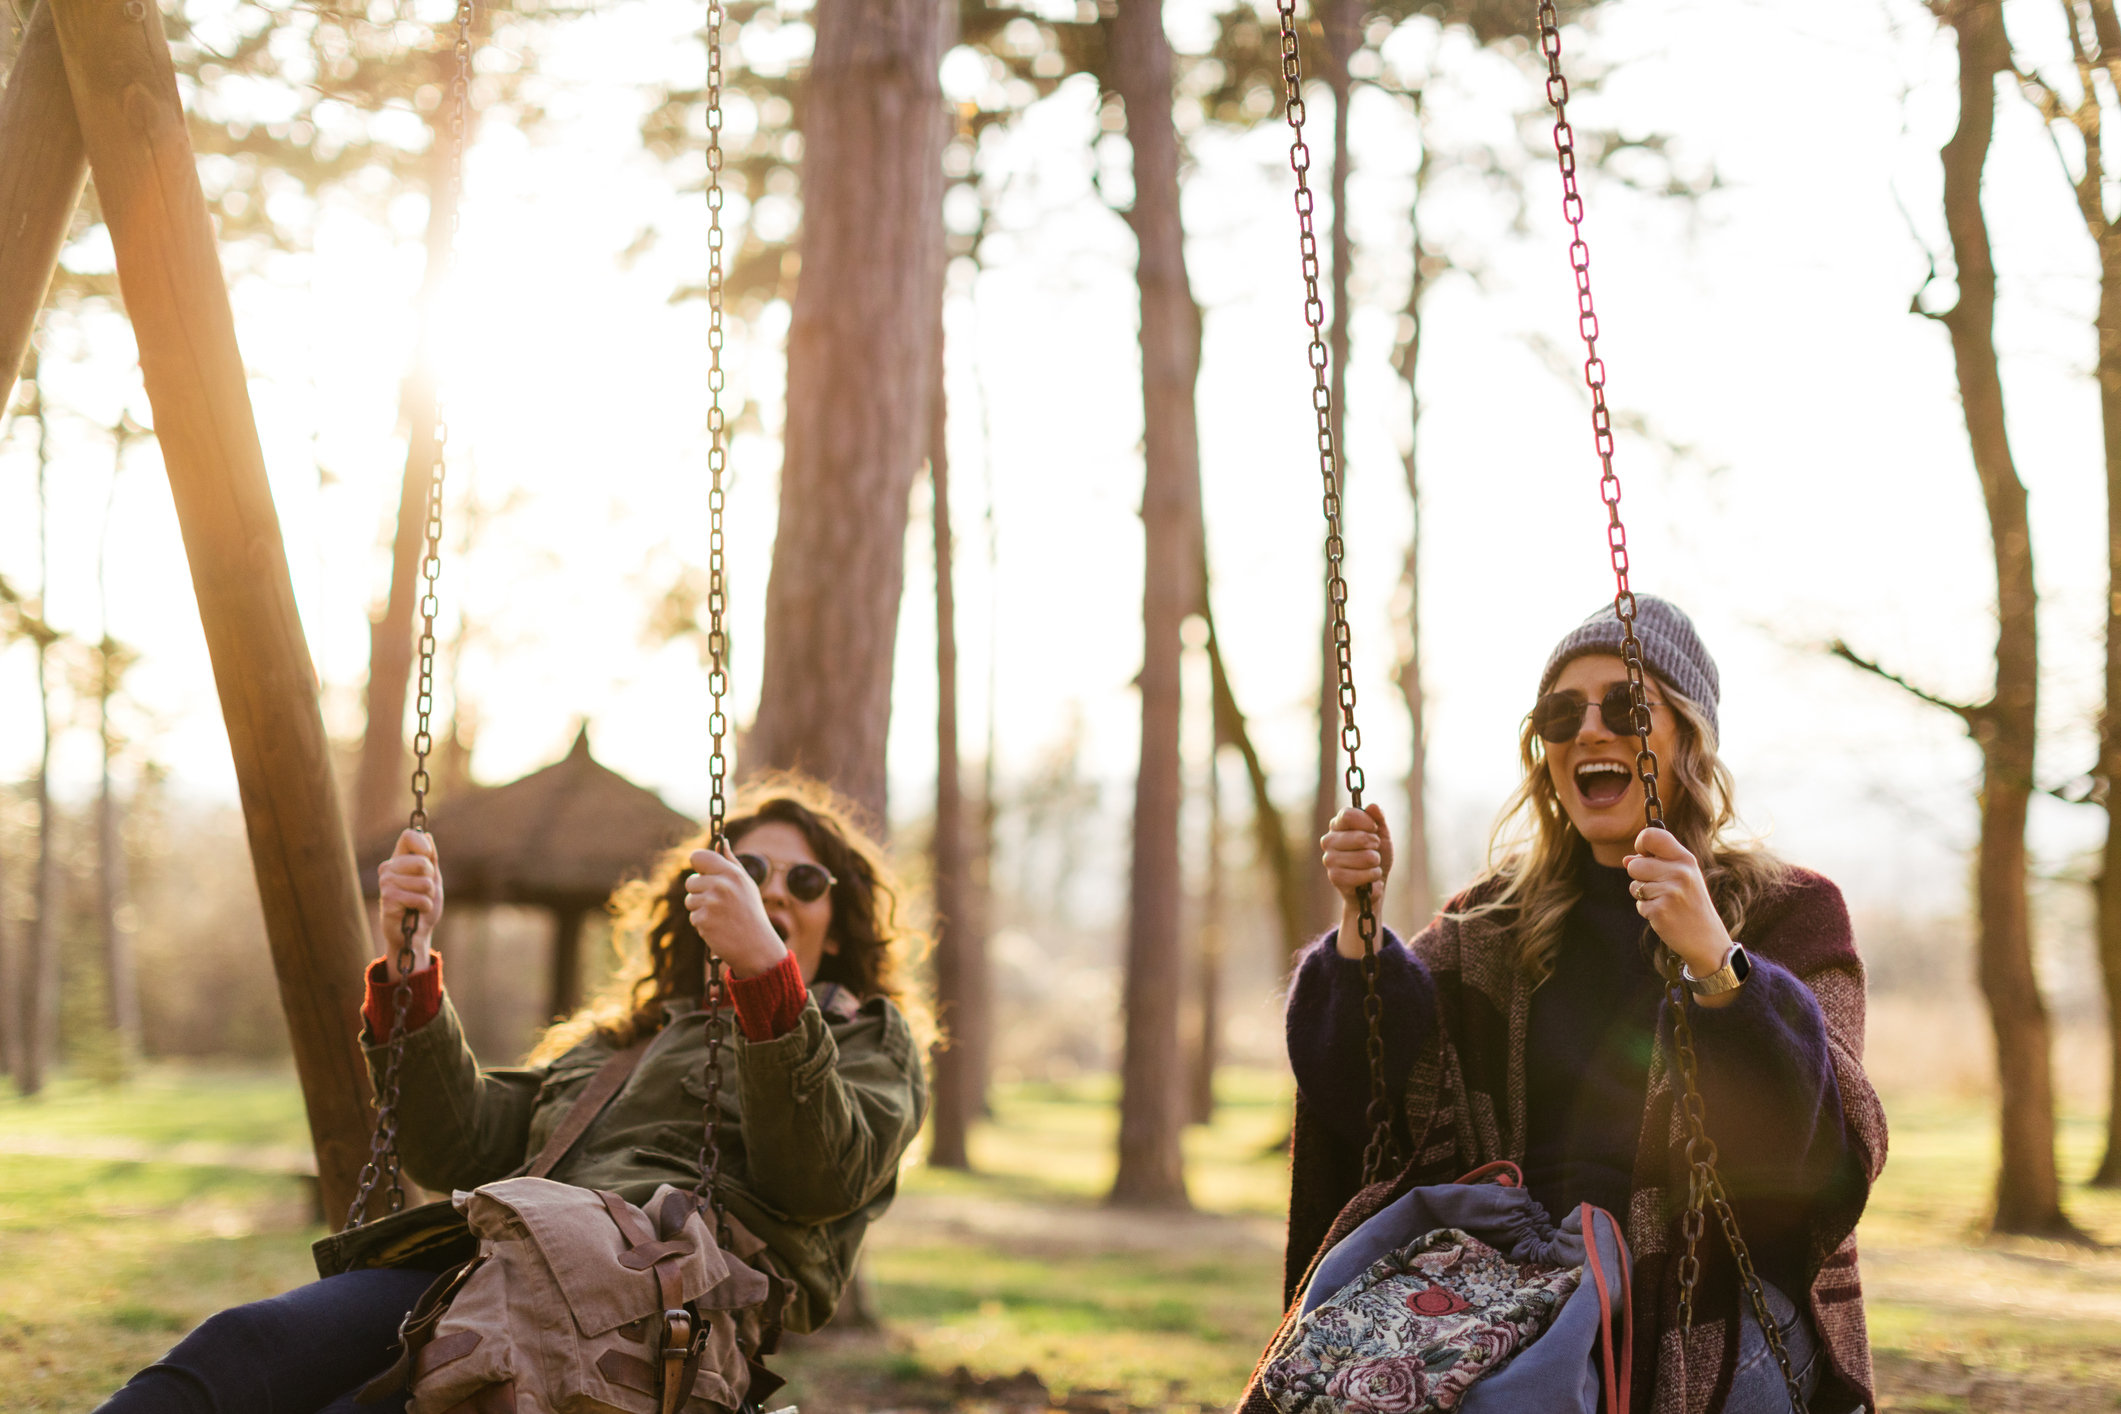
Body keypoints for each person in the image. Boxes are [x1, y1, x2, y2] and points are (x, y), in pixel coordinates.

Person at [99, 777, 930, 1414]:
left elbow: (819, 1177)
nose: (773, 891)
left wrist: (766, 983)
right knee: (245, 1347)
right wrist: (413, 970)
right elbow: (463, 1146)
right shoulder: (625, 1038)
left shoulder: (868, 1040)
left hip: (653, 1305)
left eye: (805, 881)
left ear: (840, 914)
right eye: (748, 869)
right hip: (497, 1256)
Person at [1275, 597, 1883, 1414]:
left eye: (1627, 705)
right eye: (1562, 713)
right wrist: (1359, 930)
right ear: (1543, 751)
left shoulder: (1785, 912)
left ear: (1688, 741)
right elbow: (1368, 1094)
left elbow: (1812, 1158)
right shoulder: (1486, 923)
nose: (1589, 730)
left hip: (1706, 1300)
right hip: (1511, 1295)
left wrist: (1716, 963)